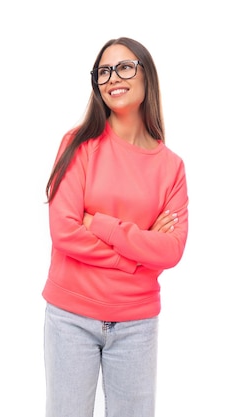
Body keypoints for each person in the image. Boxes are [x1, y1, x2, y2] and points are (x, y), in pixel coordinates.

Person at [42, 36, 189, 417]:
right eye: (103, 71)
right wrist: (136, 253)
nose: (113, 78)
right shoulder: (78, 145)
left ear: (146, 77)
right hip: (70, 316)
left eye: (124, 67)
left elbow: (170, 250)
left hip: (137, 321)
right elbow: (65, 232)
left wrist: (101, 224)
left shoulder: (170, 167)